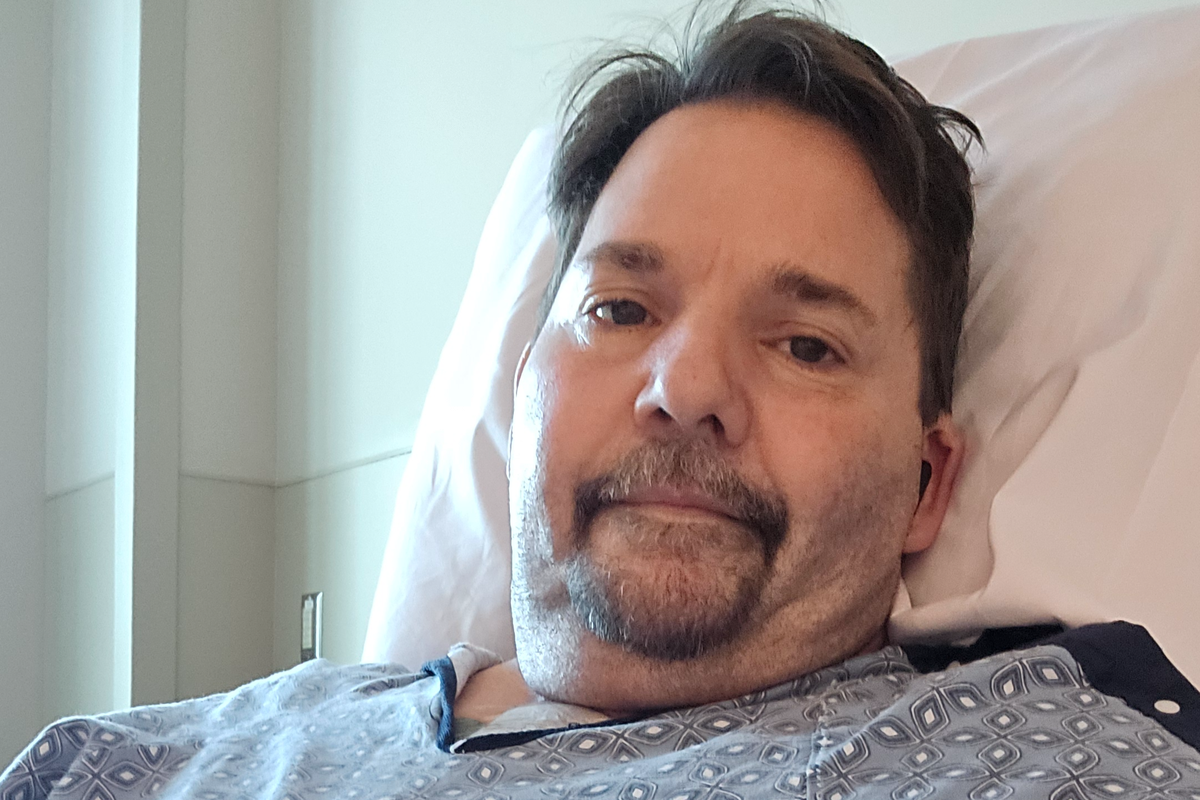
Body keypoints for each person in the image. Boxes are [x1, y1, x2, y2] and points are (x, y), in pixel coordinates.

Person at [4, 4, 1197, 799]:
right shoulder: (142, 755)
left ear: (927, 484)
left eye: (805, 343)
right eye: (621, 309)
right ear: (525, 388)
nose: (687, 389)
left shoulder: (1030, 760)